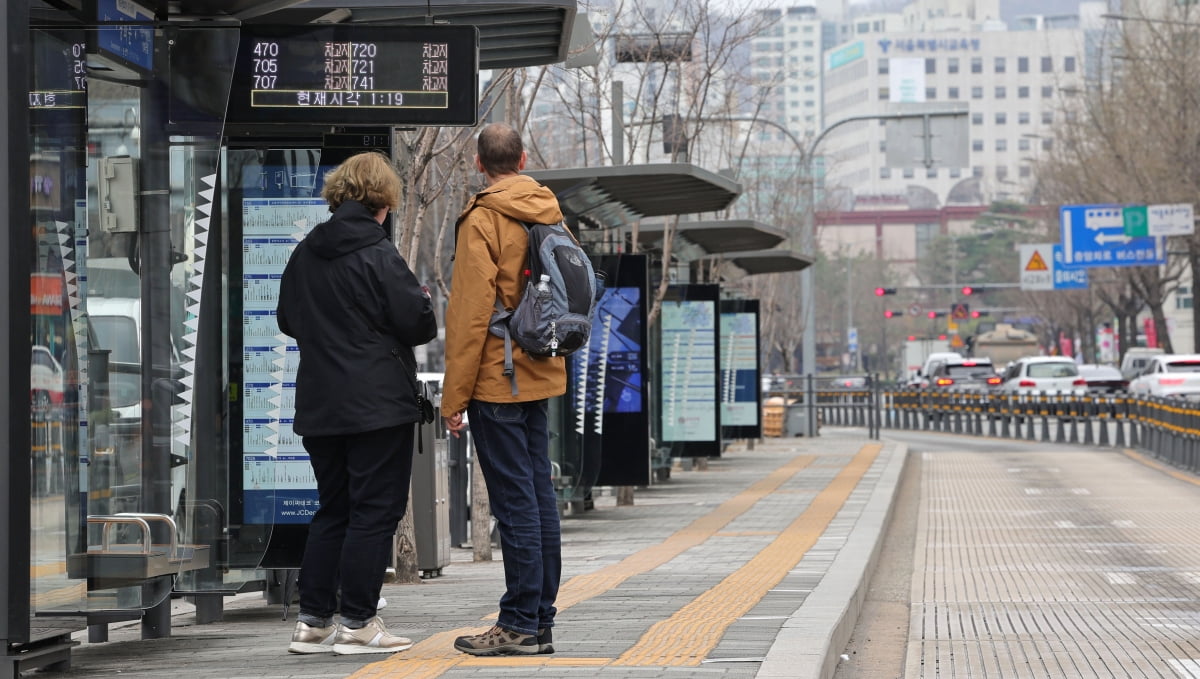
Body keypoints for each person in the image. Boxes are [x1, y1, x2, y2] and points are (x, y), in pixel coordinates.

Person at [277, 151, 437, 655]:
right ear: (383, 201)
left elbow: (287, 319)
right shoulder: (378, 252)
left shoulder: (306, 251)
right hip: (376, 405)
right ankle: (360, 623)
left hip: (321, 404)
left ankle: (313, 622)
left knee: (334, 509)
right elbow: (418, 324)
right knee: (374, 512)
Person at [442, 123, 567, 656]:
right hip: (539, 369)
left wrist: (453, 398)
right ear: (522, 158)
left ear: (478, 163)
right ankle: (539, 620)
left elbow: (471, 315)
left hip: (497, 377)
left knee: (515, 503)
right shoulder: (548, 208)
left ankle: (517, 623)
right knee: (539, 497)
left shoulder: (485, 217)